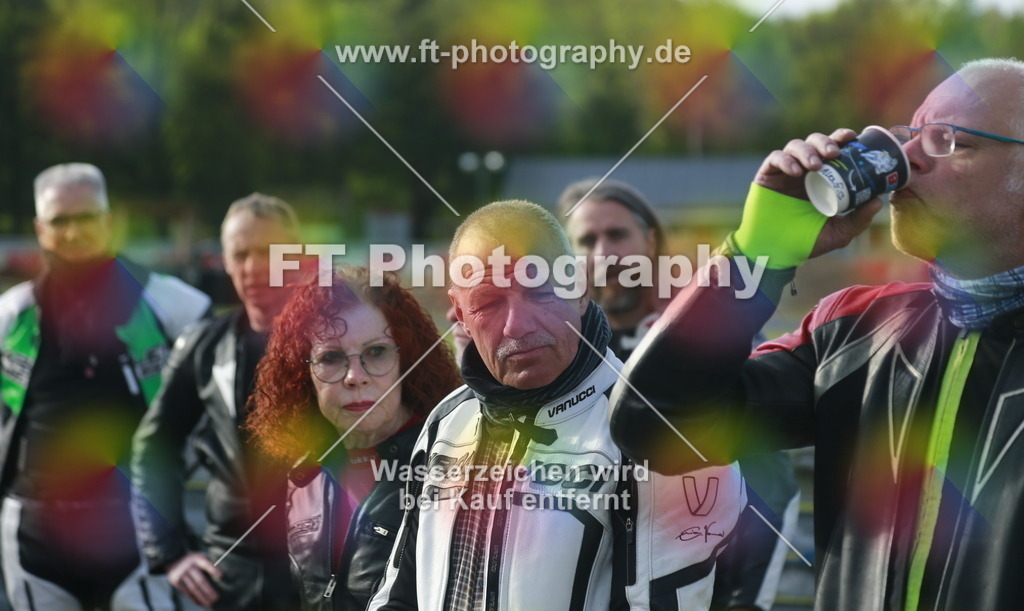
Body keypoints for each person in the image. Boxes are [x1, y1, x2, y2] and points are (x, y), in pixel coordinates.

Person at [610, 57, 1024, 610]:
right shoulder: (853, 331)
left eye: (950, 141)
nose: (908, 160)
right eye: (913, 133)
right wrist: (757, 253)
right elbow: (654, 423)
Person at [368, 200, 746, 610]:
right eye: (488, 303)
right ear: (460, 313)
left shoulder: (658, 429)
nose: (517, 325)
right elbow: (398, 592)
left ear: (580, 288)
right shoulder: (446, 421)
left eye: (540, 292)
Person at [559, 178, 800, 611]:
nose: (603, 255)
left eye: (616, 235)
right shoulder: (560, 344)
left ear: (650, 239)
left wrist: (743, 598)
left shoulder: (709, 327)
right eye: (586, 241)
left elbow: (771, 476)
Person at [0, 163, 211, 610]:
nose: (74, 233)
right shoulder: (11, 317)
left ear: (110, 221)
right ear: (40, 229)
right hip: (34, 533)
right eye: (60, 221)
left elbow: (226, 398)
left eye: (87, 218)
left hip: (138, 528)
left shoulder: (174, 305)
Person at [245, 266, 459, 610]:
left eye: (376, 352)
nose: (354, 377)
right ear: (302, 375)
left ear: (407, 359)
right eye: (331, 357)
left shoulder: (452, 467)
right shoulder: (302, 476)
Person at [131, 193, 302, 610]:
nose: (254, 267)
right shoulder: (205, 346)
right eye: (241, 253)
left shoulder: (342, 341)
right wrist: (169, 553)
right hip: (229, 570)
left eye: (268, 251)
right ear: (224, 260)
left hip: (320, 567)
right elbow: (155, 445)